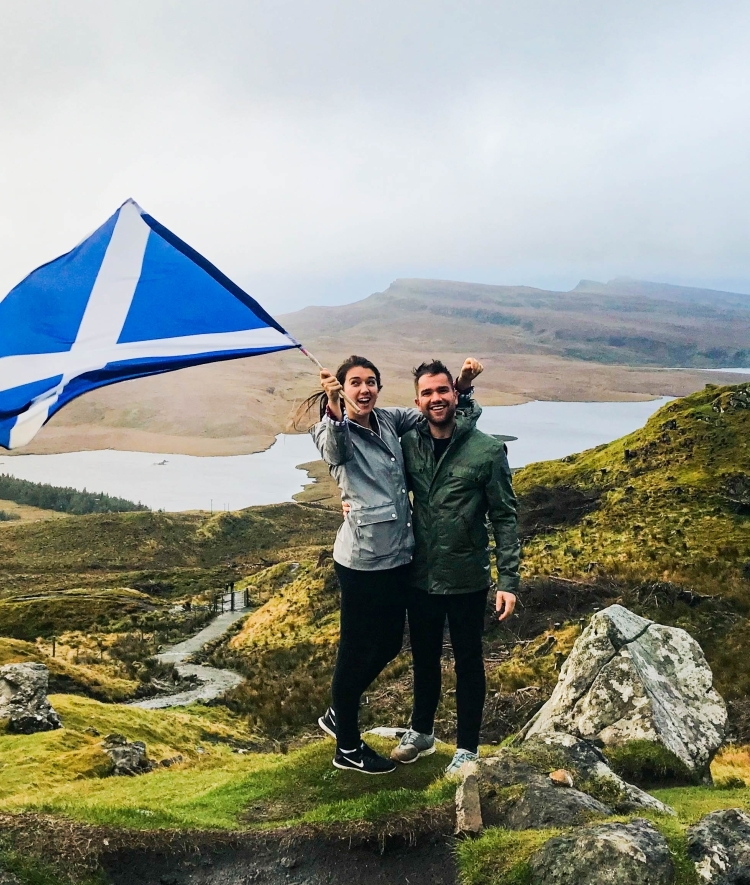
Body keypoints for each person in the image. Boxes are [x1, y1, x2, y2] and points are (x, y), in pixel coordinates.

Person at [309, 354, 482, 774]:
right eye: (355, 384)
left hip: (397, 557)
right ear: (342, 390)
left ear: (379, 388)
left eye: (370, 382)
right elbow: (334, 449)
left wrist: (462, 386)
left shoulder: (389, 420)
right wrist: (333, 410)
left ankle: (338, 713)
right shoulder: (333, 429)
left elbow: (441, 414)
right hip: (362, 560)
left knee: (387, 645)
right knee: (353, 650)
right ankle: (347, 747)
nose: (364, 389)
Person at [391, 359, 520, 775]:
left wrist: (509, 580)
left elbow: (505, 516)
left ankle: (467, 748)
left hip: (467, 576)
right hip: (420, 574)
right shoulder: (409, 444)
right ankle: (422, 733)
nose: (435, 399)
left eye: (442, 391)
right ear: (417, 401)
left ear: (456, 395)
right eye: (427, 393)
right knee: (424, 658)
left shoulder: (486, 449)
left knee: (468, 662)